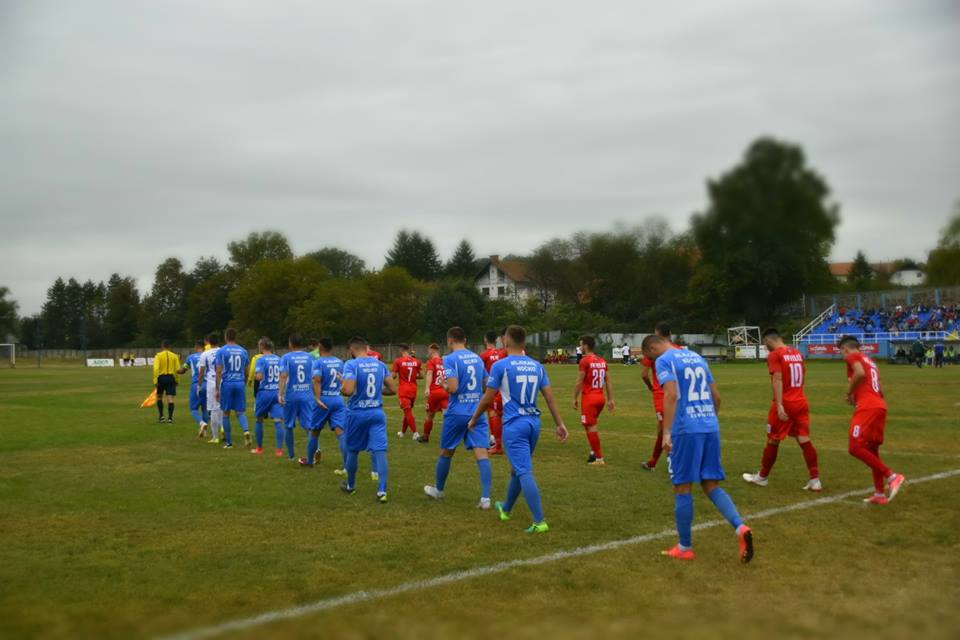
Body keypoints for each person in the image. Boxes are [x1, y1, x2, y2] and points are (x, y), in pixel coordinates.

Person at [640, 334, 753, 563]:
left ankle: (685, 547)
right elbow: (717, 397)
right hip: (710, 426)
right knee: (711, 484)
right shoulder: (697, 357)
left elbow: (671, 394)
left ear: (653, 348)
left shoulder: (664, 360)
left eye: (649, 357)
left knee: (682, 487)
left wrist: (667, 433)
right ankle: (740, 527)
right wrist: (708, 419)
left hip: (686, 429)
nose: (651, 362)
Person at [471, 325, 569, 533]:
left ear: (506, 341)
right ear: (524, 343)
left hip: (515, 424)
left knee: (524, 470)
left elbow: (488, 398)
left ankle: (539, 521)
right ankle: (505, 508)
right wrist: (560, 423)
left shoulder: (501, 365)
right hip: (534, 423)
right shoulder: (537, 365)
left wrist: (474, 420)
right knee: (517, 468)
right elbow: (549, 398)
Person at [742, 328, 822, 491]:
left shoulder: (775, 355)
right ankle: (815, 480)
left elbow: (777, 378)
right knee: (804, 438)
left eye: (765, 344)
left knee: (773, 439)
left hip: (786, 402)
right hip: (800, 400)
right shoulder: (797, 353)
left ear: (768, 340)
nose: (765, 348)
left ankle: (762, 477)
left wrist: (779, 404)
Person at [423, 327, 493, 509]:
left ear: (449, 341)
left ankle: (439, 490)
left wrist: (444, 384)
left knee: (447, 451)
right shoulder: (477, 358)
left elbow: (453, 388)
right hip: (477, 411)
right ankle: (486, 498)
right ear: (466, 339)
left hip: (457, 412)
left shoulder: (450, 359)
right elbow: (487, 384)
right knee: (482, 453)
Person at [839, 335, 906, 505]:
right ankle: (879, 494)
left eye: (841, 352)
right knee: (872, 450)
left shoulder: (853, 356)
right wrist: (855, 397)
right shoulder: (870, 361)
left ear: (846, 349)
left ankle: (891, 476)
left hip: (868, 408)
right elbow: (879, 389)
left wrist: (848, 392)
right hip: (879, 406)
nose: (842, 356)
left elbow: (860, 374)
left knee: (855, 447)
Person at [340, 336, 397, 503]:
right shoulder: (380, 364)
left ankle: (350, 486)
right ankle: (382, 491)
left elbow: (349, 390)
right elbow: (393, 389)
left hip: (357, 413)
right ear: (367, 348)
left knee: (353, 450)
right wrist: (377, 393)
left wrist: (342, 385)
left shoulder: (351, 364)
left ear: (352, 349)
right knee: (380, 451)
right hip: (376, 413)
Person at [303, 338, 346, 468]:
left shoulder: (318, 362)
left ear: (320, 348)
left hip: (324, 399)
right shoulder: (340, 362)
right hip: (338, 399)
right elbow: (344, 379)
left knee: (314, 431)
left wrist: (317, 398)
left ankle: (310, 461)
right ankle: (347, 464)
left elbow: (317, 380)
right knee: (340, 432)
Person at [573, 335, 615, 466]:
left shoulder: (585, 361)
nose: (580, 347)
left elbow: (579, 381)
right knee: (588, 424)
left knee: (591, 426)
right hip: (600, 397)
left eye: (581, 344)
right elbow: (608, 381)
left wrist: (574, 398)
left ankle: (599, 458)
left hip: (590, 398)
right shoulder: (602, 360)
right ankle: (593, 452)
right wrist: (610, 399)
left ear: (585, 346)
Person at [641, 322, 677, 471]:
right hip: (679, 394)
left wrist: (651, 387)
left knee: (665, 430)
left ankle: (673, 465)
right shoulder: (678, 349)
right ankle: (653, 462)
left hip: (662, 395)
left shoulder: (654, 351)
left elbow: (644, 374)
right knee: (663, 430)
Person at [278, 334, 315, 461]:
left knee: (288, 425)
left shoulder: (286, 358)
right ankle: (316, 451)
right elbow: (315, 376)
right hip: (307, 395)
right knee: (309, 426)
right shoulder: (310, 357)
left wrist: (280, 394)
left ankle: (291, 455)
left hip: (291, 395)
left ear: (290, 344)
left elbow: (283, 376)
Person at [215, 328, 250, 450]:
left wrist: (217, 389)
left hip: (228, 383)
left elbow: (218, 371)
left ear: (226, 337)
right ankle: (246, 431)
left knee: (226, 413)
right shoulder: (243, 351)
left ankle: (229, 443)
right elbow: (247, 371)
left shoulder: (222, 351)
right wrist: (243, 382)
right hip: (240, 382)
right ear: (236, 337)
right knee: (240, 411)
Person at [251, 338, 283, 456]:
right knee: (278, 420)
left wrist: (255, 375)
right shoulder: (279, 359)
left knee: (259, 419)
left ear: (261, 347)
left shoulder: (261, 359)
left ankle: (259, 448)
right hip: (276, 392)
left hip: (265, 392)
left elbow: (259, 377)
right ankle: (279, 450)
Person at [479, 331, 506, 454]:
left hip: (491, 387)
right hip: (503, 387)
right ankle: (494, 438)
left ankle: (496, 442)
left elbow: (481, 373)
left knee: (493, 413)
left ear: (485, 340)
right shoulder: (502, 353)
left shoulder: (484, 355)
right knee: (499, 414)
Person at [177, 339, 209, 436]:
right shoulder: (208, 356)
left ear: (196, 347)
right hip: (208, 384)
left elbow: (183, 370)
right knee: (205, 408)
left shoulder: (191, 357)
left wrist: (176, 371)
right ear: (204, 347)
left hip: (196, 384)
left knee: (194, 409)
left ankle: (202, 423)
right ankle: (205, 431)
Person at [392, 344, 422, 440]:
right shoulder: (417, 361)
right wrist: (413, 376)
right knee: (407, 411)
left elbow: (393, 376)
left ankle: (415, 433)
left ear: (401, 350)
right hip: (413, 389)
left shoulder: (398, 361)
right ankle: (402, 432)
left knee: (407, 411)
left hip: (404, 390)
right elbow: (421, 376)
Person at [420, 343, 448, 444]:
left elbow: (430, 373)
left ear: (432, 351)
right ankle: (448, 437)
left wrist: (427, 388)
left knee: (429, 415)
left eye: (429, 351)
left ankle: (425, 437)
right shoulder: (445, 361)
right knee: (447, 415)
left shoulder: (431, 362)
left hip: (435, 392)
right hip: (445, 391)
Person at [197, 333, 222, 444]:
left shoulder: (205, 354)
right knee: (222, 408)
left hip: (212, 383)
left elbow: (201, 372)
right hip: (223, 381)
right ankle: (223, 428)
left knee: (212, 409)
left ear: (208, 342)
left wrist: (199, 385)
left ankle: (215, 437)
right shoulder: (223, 351)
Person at [152, 340, 181, 424]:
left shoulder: (158, 356)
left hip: (161, 378)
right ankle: (170, 419)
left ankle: (161, 417)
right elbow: (177, 369)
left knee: (159, 397)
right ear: (170, 347)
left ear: (162, 346)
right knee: (170, 398)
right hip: (171, 378)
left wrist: (155, 380)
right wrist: (177, 380)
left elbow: (156, 368)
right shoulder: (174, 356)